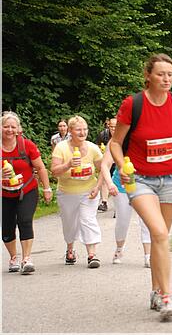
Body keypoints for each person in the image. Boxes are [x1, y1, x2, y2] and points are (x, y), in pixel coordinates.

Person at [109, 53, 172, 320]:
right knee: (159, 233)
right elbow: (116, 143)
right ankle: (167, 296)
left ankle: (155, 289)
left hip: (171, 178)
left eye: (170, 74)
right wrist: (121, 166)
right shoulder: (134, 104)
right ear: (148, 76)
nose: (166, 79)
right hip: (139, 179)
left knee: (158, 237)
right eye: (161, 74)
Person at [50, 115, 104, 270]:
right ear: (70, 131)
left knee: (88, 219)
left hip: (88, 191)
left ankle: (92, 255)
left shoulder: (93, 148)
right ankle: (70, 249)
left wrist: (98, 186)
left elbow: (103, 169)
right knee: (69, 224)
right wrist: (68, 165)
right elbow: (54, 171)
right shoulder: (61, 148)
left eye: (85, 129)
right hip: (67, 193)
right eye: (78, 129)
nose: (82, 132)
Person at [2, 111, 52, 274]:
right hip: (4, 193)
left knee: (24, 220)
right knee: (7, 227)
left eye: (12, 127)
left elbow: (40, 167)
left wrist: (46, 188)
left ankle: (26, 258)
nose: (9, 130)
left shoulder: (26, 145)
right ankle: (13, 258)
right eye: (5, 126)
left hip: (27, 190)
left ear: (18, 129)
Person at [99, 141, 151, 267]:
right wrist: (110, 184)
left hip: (144, 185)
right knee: (123, 220)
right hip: (121, 187)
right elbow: (105, 165)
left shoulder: (145, 135)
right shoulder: (116, 141)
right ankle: (119, 249)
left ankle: (148, 256)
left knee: (146, 220)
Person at [96, 117, 117, 212]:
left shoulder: (123, 135)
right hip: (106, 159)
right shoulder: (103, 135)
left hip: (119, 161)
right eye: (111, 127)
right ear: (108, 126)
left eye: (115, 127)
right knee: (104, 179)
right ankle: (104, 202)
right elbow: (97, 147)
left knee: (118, 180)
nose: (113, 129)